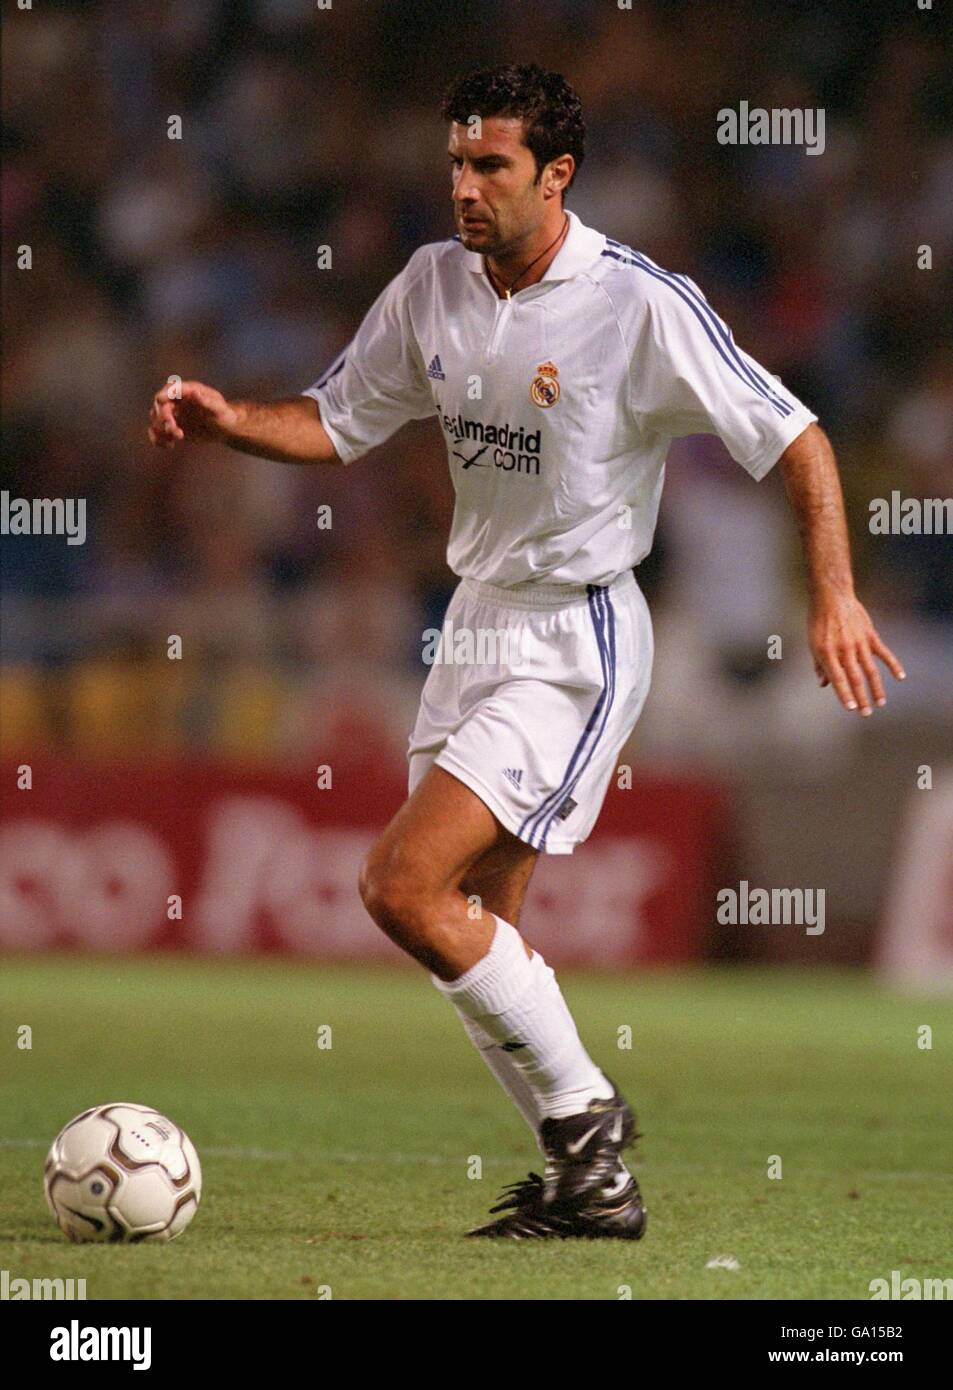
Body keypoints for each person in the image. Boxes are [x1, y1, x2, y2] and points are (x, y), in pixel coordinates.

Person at [149, 63, 904, 1240]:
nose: (462, 186)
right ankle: (585, 1190)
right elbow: (337, 419)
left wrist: (834, 594)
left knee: (402, 886)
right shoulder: (429, 286)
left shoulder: (636, 304)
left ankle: (588, 1125)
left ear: (555, 176)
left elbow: (795, 433)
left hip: (577, 634)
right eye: (454, 162)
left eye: (489, 165)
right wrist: (228, 419)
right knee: (478, 927)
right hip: (474, 620)